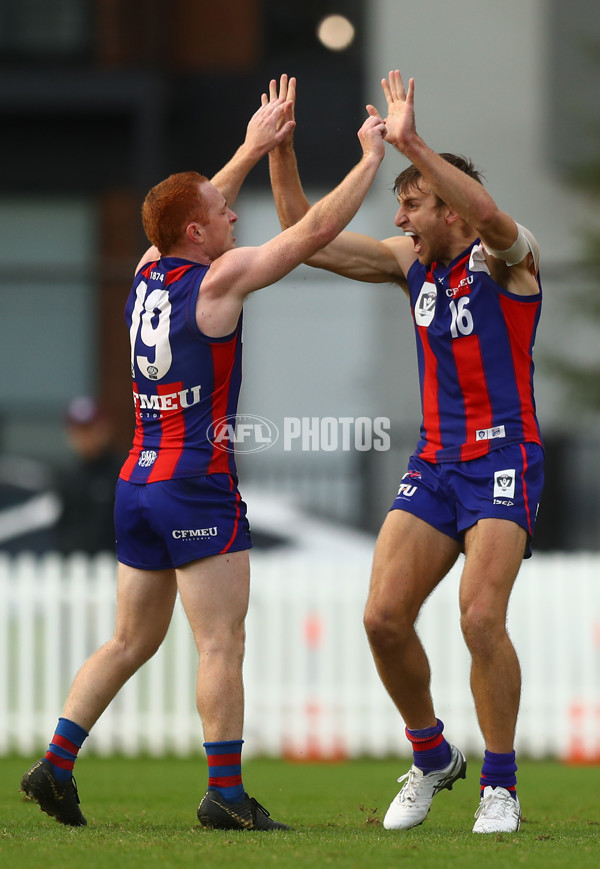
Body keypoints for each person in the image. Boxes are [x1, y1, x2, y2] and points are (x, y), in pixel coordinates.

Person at [20, 76, 386, 831]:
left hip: (138, 477)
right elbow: (312, 233)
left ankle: (56, 761)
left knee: (129, 639)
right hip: (195, 481)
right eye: (221, 214)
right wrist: (372, 162)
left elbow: (187, 209)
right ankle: (224, 791)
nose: (230, 213)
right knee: (220, 640)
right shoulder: (217, 282)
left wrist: (254, 147)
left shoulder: (148, 269)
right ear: (198, 233)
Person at [268, 70, 544, 834]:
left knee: (480, 617)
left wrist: (412, 138)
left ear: (449, 209)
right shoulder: (410, 263)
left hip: (501, 457)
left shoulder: (506, 259)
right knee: (383, 617)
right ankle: (431, 756)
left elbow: (490, 215)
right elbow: (303, 232)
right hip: (435, 462)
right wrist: (282, 151)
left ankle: (501, 784)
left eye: (412, 203)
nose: (401, 217)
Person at [54, 397, 124, 555]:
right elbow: (61, 527)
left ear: (104, 429)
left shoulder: (124, 473)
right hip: (74, 568)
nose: (85, 438)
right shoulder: (67, 477)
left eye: (90, 429)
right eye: (78, 431)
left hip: (115, 565)